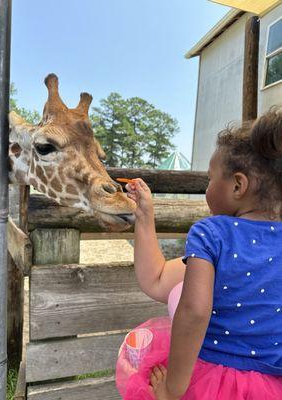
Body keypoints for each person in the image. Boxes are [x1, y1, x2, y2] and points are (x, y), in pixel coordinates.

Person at [116, 108, 282, 400]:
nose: (207, 188)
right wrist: (145, 215)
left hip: (212, 383)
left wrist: (173, 388)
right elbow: (157, 278)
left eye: (209, 179)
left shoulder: (212, 234)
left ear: (237, 185)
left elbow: (193, 312)